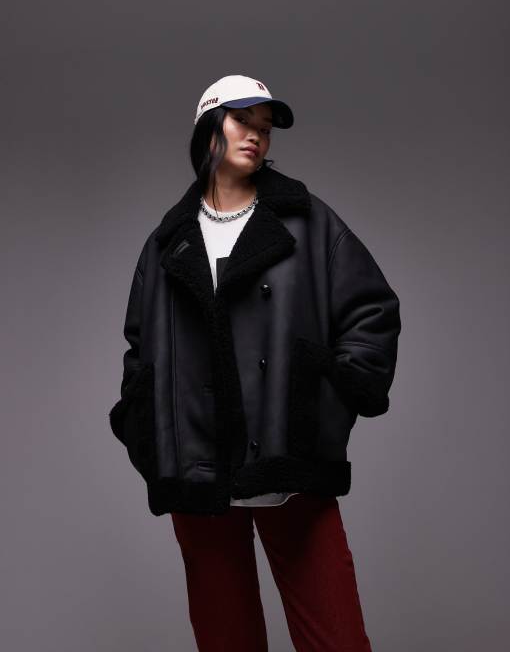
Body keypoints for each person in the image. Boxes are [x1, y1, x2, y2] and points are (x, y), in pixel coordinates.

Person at [109, 74, 401, 651]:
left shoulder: (308, 220)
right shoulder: (167, 241)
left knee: (337, 639)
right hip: (200, 474)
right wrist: (146, 427)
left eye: (265, 128)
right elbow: (140, 349)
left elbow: (373, 312)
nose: (257, 136)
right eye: (243, 120)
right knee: (226, 640)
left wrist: (323, 401)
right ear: (208, 127)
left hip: (289, 464)